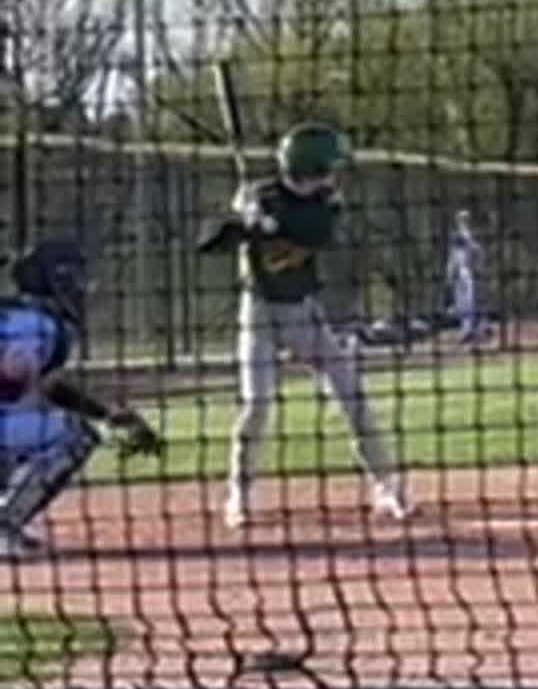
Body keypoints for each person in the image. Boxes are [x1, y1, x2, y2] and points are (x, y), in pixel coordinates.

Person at [198, 122, 410, 528]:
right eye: (329, 166)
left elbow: (316, 233)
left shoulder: (326, 203)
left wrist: (271, 225)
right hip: (258, 314)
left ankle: (387, 486)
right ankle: (239, 495)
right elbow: (208, 243)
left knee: (352, 395)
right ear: (310, 166)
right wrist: (241, 222)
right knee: (257, 404)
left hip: (304, 314)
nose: (334, 174)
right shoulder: (261, 197)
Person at [0, 239, 162, 558]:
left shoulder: (16, 314)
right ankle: (4, 526)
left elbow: (46, 386)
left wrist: (105, 413)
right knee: (76, 437)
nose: (81, 285)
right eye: (73, 276)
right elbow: (17, 381)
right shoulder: (43, 324)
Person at [445, 210, 486, 344]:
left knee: (466, 304)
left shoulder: (463, 238)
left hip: (464, 274)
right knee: (463, 305)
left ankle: (470, 330)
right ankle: (471, 329)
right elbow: (471, 246)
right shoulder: (458, 246)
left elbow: (471, 246)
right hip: (462, 275)